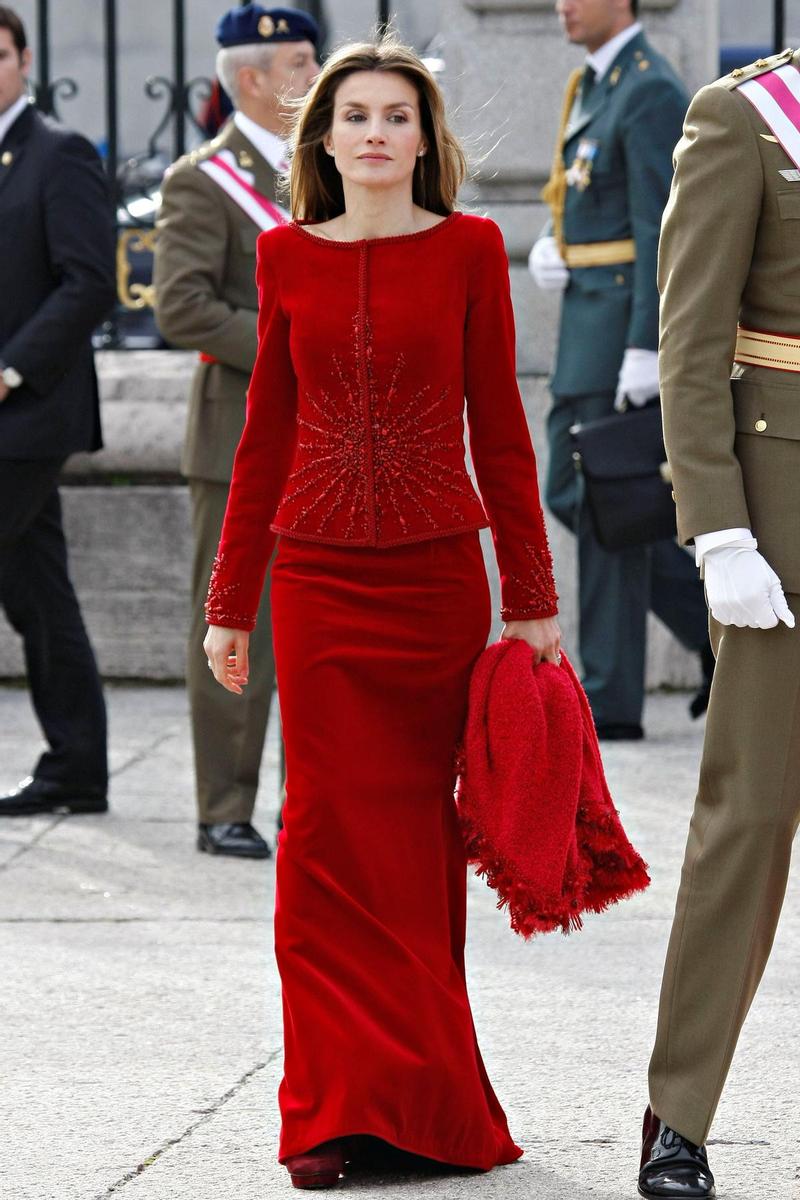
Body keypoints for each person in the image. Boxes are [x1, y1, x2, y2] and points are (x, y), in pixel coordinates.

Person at [204, 35, 561, 1189]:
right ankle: (328, 1114)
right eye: (351, 114)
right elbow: (261, 443)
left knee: (413, 849)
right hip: (313, 589)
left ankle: (427, 1112)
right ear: (321, 139)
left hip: (435, 589)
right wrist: (229, 604)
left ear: (422, 137)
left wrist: (531, 599)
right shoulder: (281, 257)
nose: (372, 133)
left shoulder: (466, 249)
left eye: (394, 116)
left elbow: (500, 433)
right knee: (316, 843)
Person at [638, 46, 800, 1200]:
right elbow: (691, 340)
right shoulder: (741, 116)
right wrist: (717, 531)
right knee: (746, 817)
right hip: (782, 510)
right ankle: (678, 1113)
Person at [154, 6, 320, 859]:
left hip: (330, 443)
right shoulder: (203, 179)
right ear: (250, 78)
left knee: (320, 632)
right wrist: (293, 347)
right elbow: (181, 305)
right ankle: (224, 803)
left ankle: (311, 801)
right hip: (238, 440)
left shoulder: (331, 168)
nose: (315, 69)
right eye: (300, 60)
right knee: (232, 622)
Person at [530, 0, 712, 739]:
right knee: (583, 496)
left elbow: (661, 228)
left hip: (618, 341)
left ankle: (609, 695)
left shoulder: (649, 88)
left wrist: (648, 344)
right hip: (586, 332)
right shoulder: (597, 83)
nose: (563, 4)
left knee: (601, 501)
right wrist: (553, 241)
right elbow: (587, 196)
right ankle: (715, 629)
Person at [0, 6, 116, 817]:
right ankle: (76, 766)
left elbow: (88, 282)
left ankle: (76, 763)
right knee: (37, 590)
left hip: (27, 411)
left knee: (34, 589)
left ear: (24, 60)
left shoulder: (58, 152)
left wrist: (10, 369)